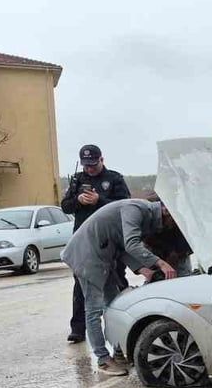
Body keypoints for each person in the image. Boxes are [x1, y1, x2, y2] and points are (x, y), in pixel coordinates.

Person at [61, 198, 178, 375]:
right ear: (166, 212)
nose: (166, 228)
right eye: (170, 223)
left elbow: (121, 244)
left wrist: (142, 269)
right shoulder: (136, 209)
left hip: (102, 255)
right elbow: (131, 243)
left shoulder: (143, 214)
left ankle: (117, 350)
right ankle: (103, 360)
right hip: (87, 256)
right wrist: (160, 263)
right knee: (93, 310)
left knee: (113, 304)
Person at [61, 144, 131, 343]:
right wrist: (78, 200)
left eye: (93, 164)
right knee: (81, 285)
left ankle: (123, 328)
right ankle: (78, 329)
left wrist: (99, 200)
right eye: (86, 165)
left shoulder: (114, 179)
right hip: (83, 241)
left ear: (102, 159)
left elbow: (124, 205)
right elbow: (65, 206)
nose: (89, 169)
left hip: (110, 241)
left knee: (117, 282)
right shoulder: (77, 180)